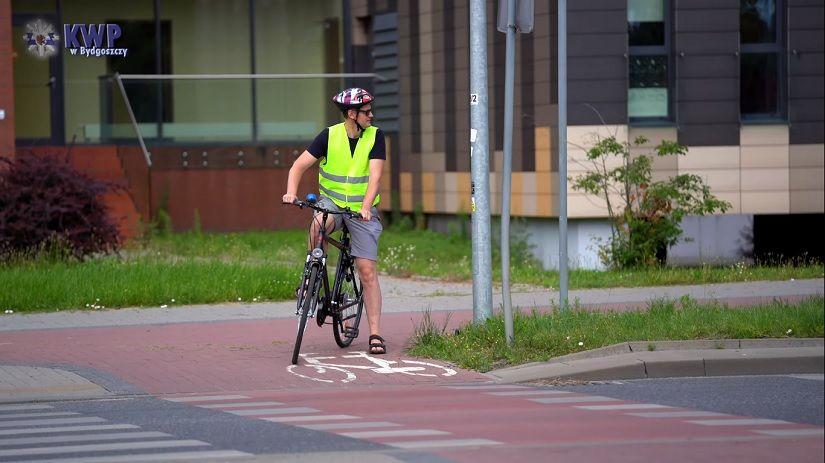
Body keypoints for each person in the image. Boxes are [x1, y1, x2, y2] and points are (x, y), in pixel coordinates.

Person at [282, 88, 387, 355]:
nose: (371, 115)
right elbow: (298, 166)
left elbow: (375, 177)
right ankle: (312, 276)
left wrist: (365, 208)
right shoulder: (329, 136)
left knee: (366, 270)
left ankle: (375, 332)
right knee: (317, 224)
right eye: (366, 112)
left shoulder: (375, 136)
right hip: (332, 203)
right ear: (352, 114)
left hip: (360, 210)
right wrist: (291, 192)